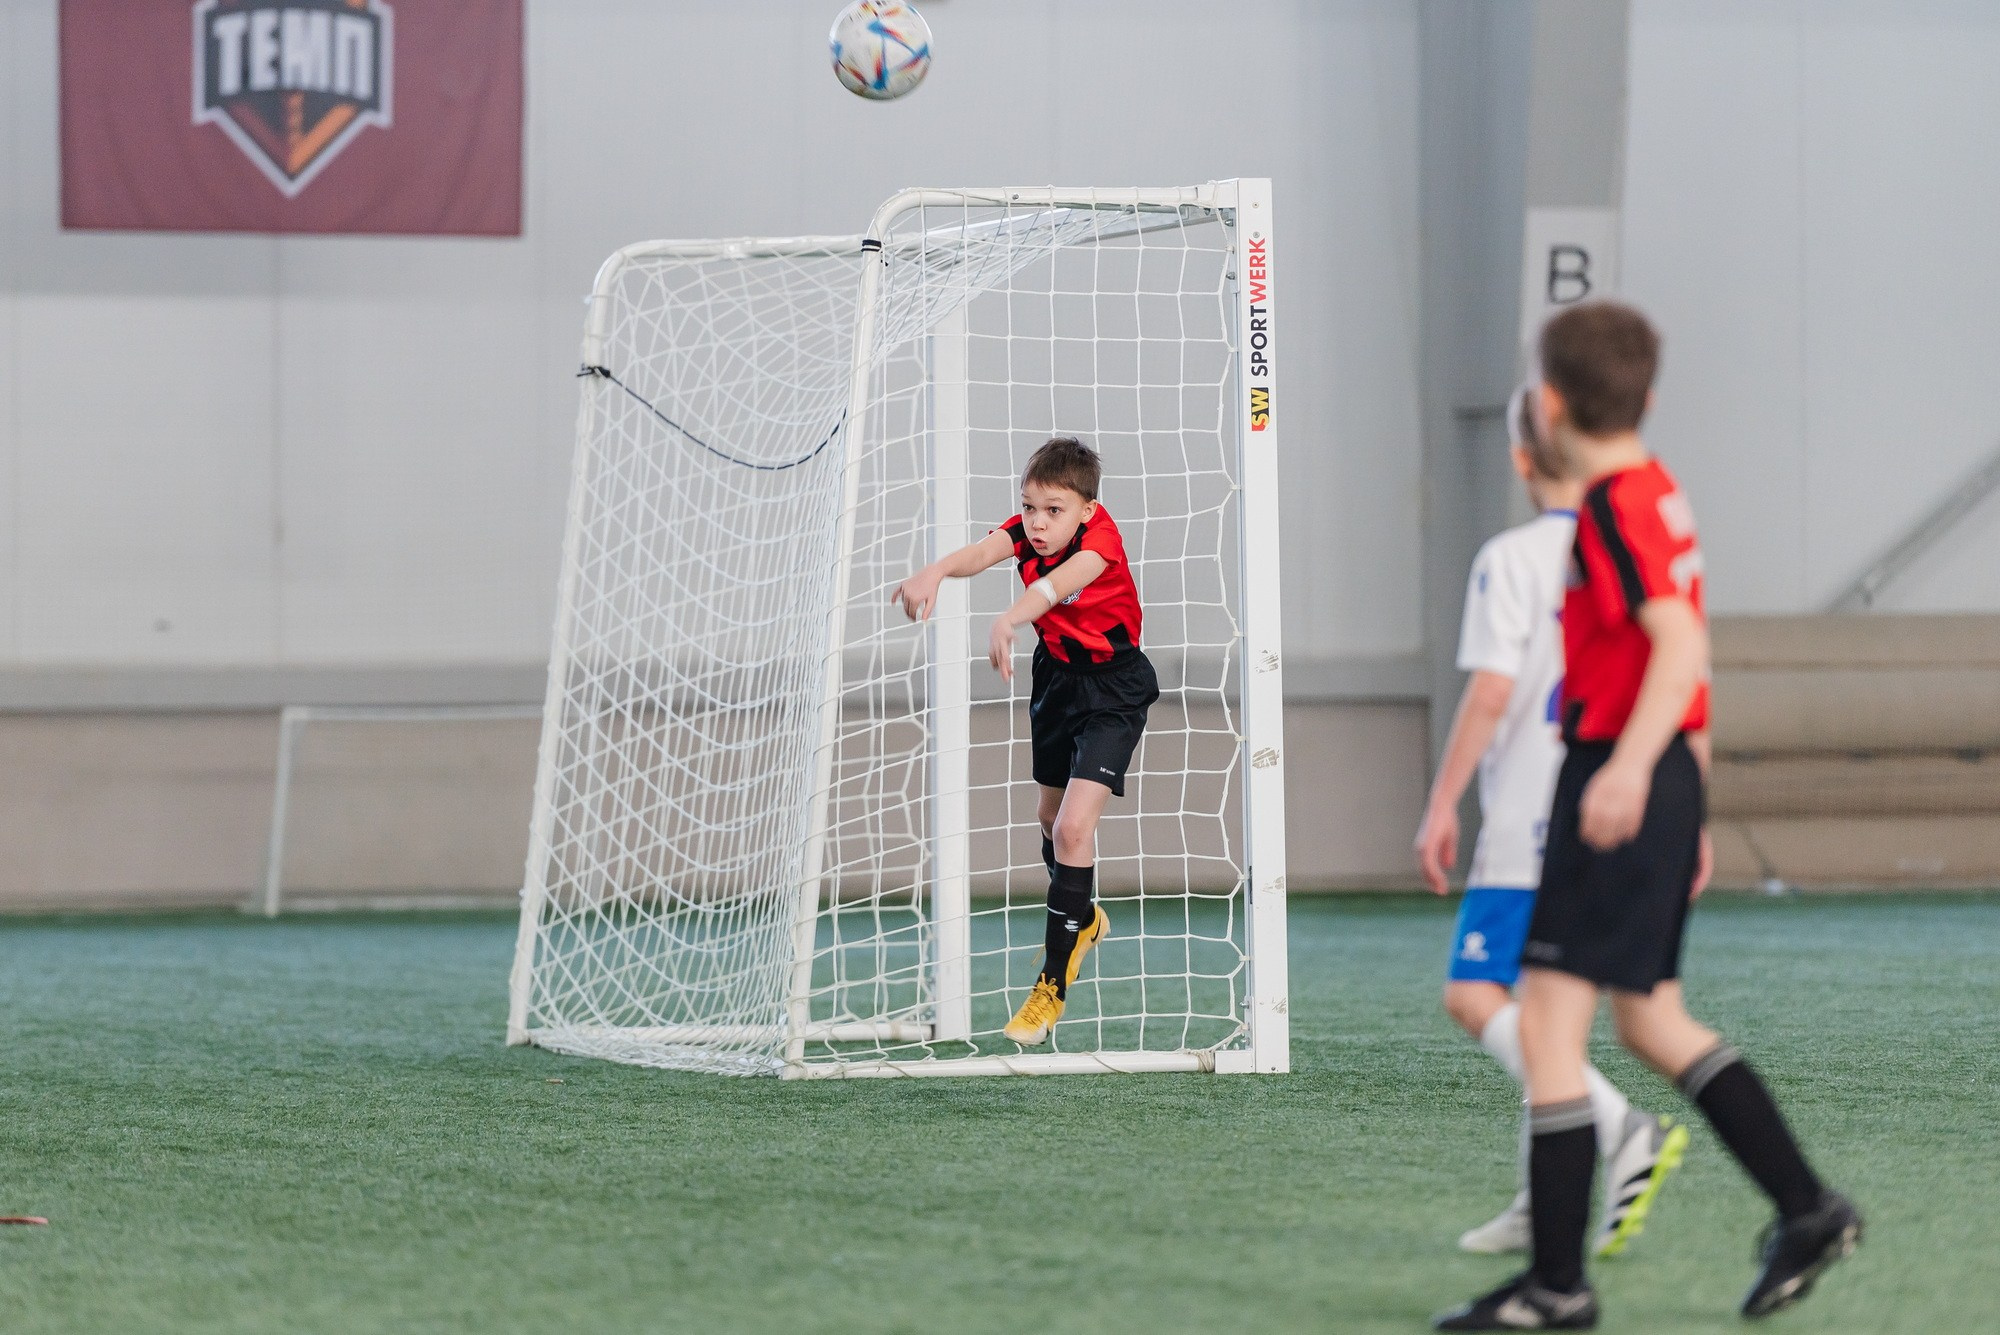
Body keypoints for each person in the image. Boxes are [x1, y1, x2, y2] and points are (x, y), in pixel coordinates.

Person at [1436, 302, 1861, 1331]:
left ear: (1546, 406)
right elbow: (1686, 661)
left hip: (1618, 770)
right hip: (1661, 771)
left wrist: (1624, 773)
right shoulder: (1657, 490)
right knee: (1645, 1017)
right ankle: (1803, 1210)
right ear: (1646, 398)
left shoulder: (1614, 509)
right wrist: (1686, 796)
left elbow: (1674, 647)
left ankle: (1556, 1287)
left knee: (1548, 1023)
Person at [1415, 383, 1686, 1265]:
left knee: (1474, 995)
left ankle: (1619, 1127)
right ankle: (1545, 1197)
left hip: (1530, 810)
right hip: (1602, 801)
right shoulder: (1620, 544)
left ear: (1524, 459)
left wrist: (1441, 800)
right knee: (1547, 1019)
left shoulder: (1514, 556)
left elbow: (1493, 690)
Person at [892, 435, 1157, 1046]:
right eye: (1030, 507)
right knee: (1048, 815)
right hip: (1058, 681)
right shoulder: (1027, 530)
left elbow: (1051, 589)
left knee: (1071, 828)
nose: (1038, 523)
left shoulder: (1101, 547)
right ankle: (1083, 921)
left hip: (1114, 691)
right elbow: (985, 551)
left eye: (1054, 510)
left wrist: (1009, 619)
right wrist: (931, 572)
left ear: (1086, 510)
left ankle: (1050, 987)